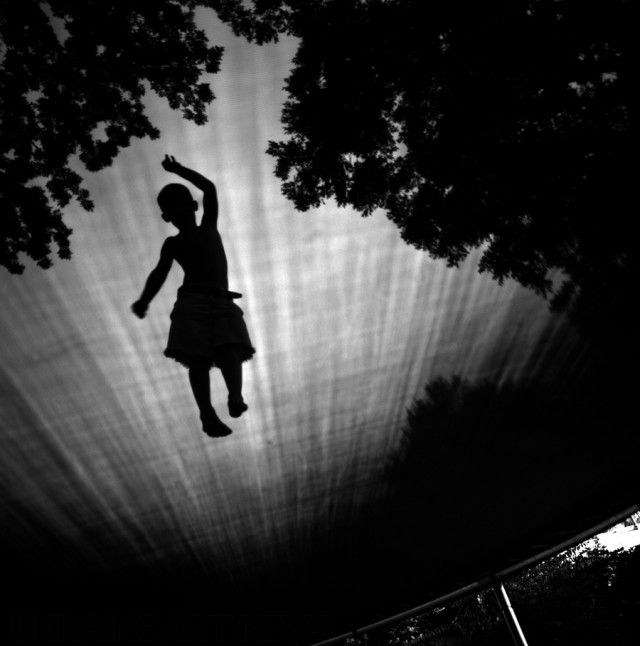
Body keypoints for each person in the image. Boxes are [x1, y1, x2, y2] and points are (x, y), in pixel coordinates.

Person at [132, 155, 255, 437]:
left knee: (230, 347)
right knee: (198, 358)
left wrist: (178, 170)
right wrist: (145, 299)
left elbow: (209, 188)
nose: (179, 212)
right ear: (167, 217)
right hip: (192, 302)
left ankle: (235, 396)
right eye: (171, 209)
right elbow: (159, 272)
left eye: (182, 204)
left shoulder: (209, 227)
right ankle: (207, 413)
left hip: (221, 300)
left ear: (193, 206)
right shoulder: (173, 243)